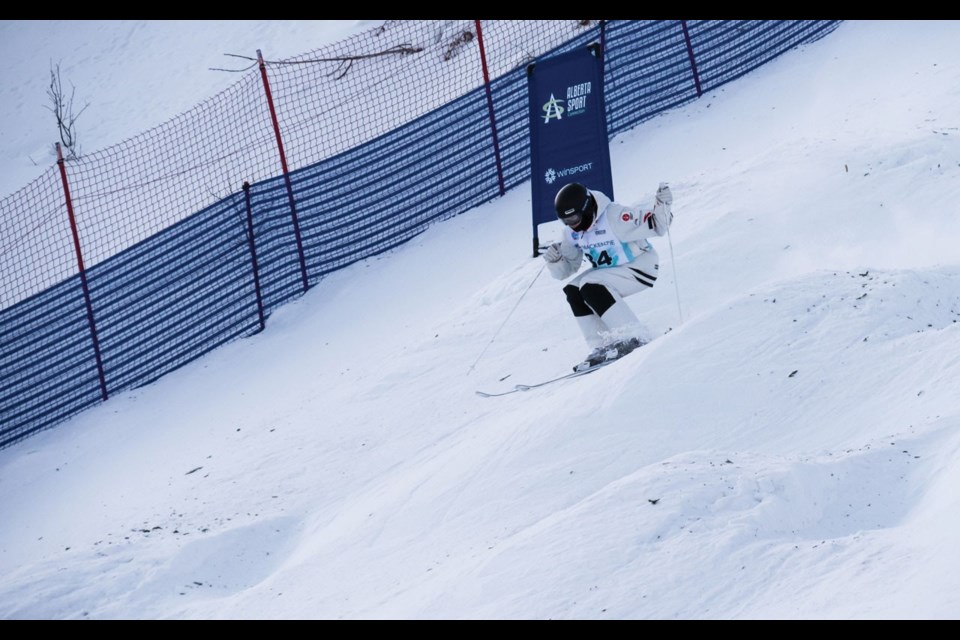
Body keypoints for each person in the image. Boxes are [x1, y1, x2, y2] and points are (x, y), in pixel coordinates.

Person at [542, 181, 673, 371]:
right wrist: (555, 261)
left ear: (586, 209)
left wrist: (663, 204)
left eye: (575, 218)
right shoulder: (572, 233)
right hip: (611, 272)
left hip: (639, 265)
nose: (573, 225)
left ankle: (633, 335)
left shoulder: (614, 216)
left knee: (590, 284)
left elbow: (657, 225)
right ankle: (601, 345)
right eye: (567, 222)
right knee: (573, 290)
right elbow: (568, 269)